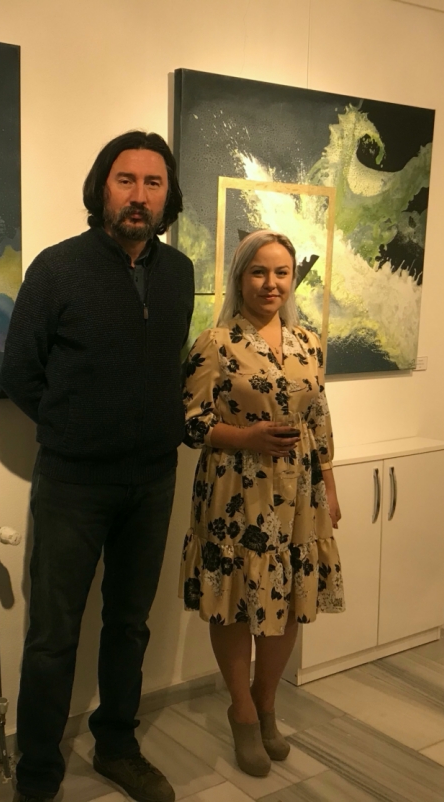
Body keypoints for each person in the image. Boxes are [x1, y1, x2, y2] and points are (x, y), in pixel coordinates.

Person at [0, 131, 194, 802]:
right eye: (125, 180)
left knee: (130, 625)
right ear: (101, 189)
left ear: (167, 196)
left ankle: (117, 747)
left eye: (152, 183)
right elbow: (20, 373)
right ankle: (38, 776)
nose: (139, 195)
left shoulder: (180, 274)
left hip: (154, 480)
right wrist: (75, 429)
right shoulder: (57, 269)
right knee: (53, 637)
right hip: (73, 484)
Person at [179, 229, 344, 777]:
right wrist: (245, 437)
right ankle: (242, 712)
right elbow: (189, 422)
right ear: (240, 277)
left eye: (281, 272)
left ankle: (266, 702)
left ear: (292, 278)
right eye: (259, 272)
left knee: (290, 596)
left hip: (299, 494)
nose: (270, 283)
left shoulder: (309, 343)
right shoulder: (215, 343)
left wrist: (330, 485)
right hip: (234, 490)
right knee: (234, 599)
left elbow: (319, 418)